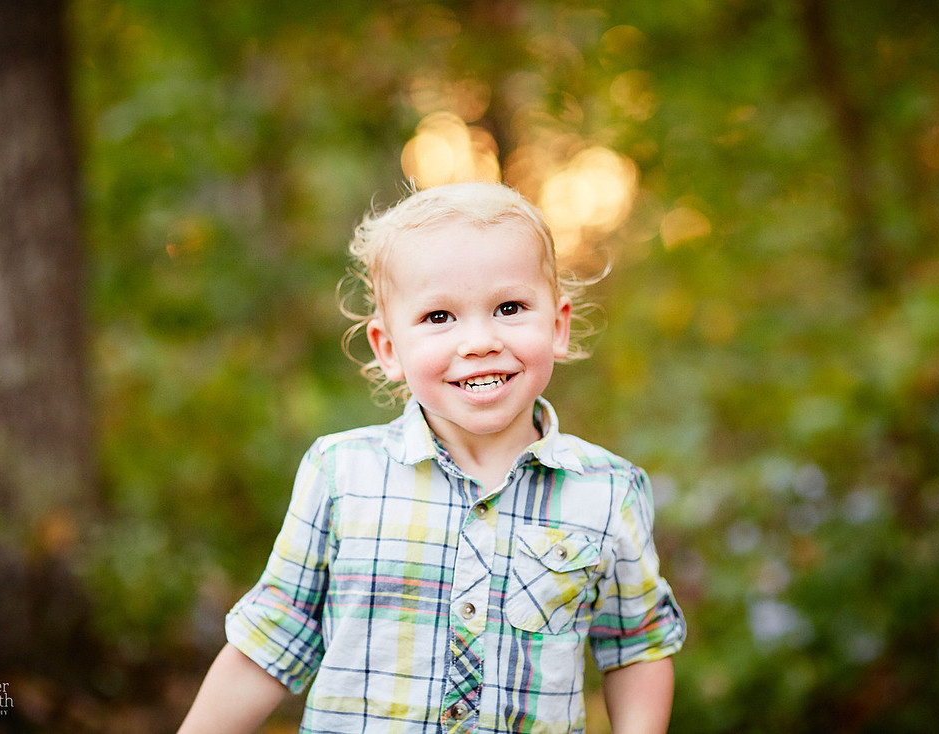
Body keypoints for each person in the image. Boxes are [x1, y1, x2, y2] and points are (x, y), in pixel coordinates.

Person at [178, 181, 685, 733]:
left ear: (557, 326)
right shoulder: (342, 473)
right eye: (439, 317)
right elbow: (271, 639)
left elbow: (636, 647)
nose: (479, 341)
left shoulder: (607, 490)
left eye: (509, 308)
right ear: (389, 348)